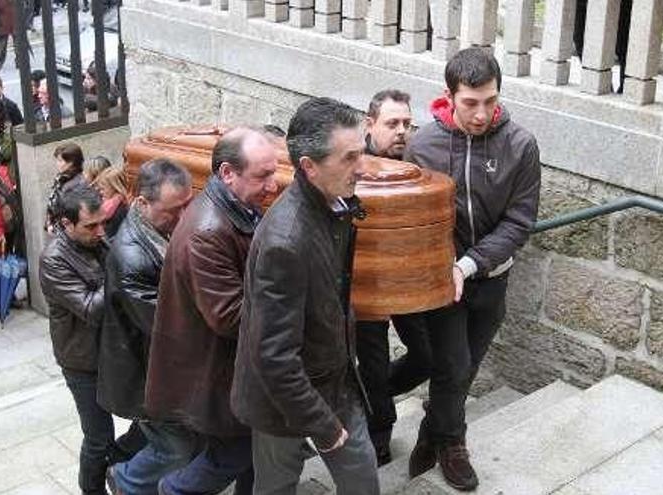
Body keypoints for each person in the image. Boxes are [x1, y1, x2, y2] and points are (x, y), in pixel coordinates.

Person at [402, 48, 541, 491]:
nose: (482, 114)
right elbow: (413, 218)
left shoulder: (520, 145)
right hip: (445, 283)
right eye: (470, 103)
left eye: (490, 101)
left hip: (491, 278)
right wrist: (448, 265)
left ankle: (431, 433)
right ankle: (453, 445)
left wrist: (473, 262)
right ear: (450, 97)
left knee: (466, 368)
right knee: (452, 366)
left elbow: (520, 220)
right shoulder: (422, 146)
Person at [231, 98, 378, 495]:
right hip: (283, 400)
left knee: (363, 480)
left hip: (334, 379)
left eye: (361, 153)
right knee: (277, 485)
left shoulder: (336, 206)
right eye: (349, 158)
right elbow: (274, 357)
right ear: (309, 167)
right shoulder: (286, 241)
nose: (362, 168)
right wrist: (325, 428)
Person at [144, 129, 278, 495]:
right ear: (227, 173)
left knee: (252, 450)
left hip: (233, 371)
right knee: (232, 455)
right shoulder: (207, 230)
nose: (273, 185)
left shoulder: (234, 209)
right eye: (262, 176)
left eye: (274, 172)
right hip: (216, 375)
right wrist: (289, 300)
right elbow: (230, 315)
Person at [98, 159, 194, 495]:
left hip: (160, 370)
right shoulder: (131, 256)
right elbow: (165, 325)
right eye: (172, 210)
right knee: (178, 447)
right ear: (141, 203)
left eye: (186, 206)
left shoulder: (158, 233)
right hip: (145, 374)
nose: (182, 217)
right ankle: (126, 480)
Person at [355, 89, 432, 466]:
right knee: (371, 360)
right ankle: (379, 432)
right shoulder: (351, 163)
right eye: (392, 123)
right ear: (370, 124)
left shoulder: (416, 162)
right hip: (362, 285)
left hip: (404, 282)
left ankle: (362, 398)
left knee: (428, 356)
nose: (402, 131)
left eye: (407, 123)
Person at [39, 185, 119, 495]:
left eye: (102, 223)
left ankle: (121, 470)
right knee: (98, 437)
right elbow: (91, 309)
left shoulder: (98, 241)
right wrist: (121, 268)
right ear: (66, 224)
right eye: (90, 226)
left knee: (152, 420)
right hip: (83, 361)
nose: (100, 231)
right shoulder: (54, 259)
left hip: (113, 352)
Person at [46, 142, 85, 232]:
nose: (57, 164)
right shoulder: (61, 178)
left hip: (67, 231)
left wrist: (55, 228)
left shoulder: (77, 183)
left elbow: (70, 213)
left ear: (71, 162)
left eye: (60, 161)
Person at [91, 165, 128, 239]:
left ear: (115, 187)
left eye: (103, 189)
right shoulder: (112, 204)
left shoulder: (120, 210)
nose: (100, 192)